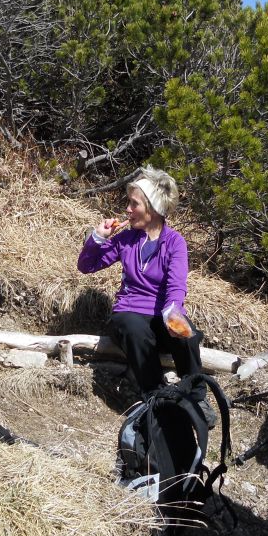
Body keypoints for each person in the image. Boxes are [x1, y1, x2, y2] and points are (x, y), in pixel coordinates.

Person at [77, 166, 202, 395]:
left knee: (187, 336)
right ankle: (155, 394)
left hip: (160, 316)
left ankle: (196, 394)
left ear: (153, 209)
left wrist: (173, 313)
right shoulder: (125, 239)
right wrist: (98, 238)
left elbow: (176, 284)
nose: (128, 209)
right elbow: (87, 266)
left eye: (134, 204)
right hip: (129, 312)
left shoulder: (175, 242)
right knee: (135, 330)